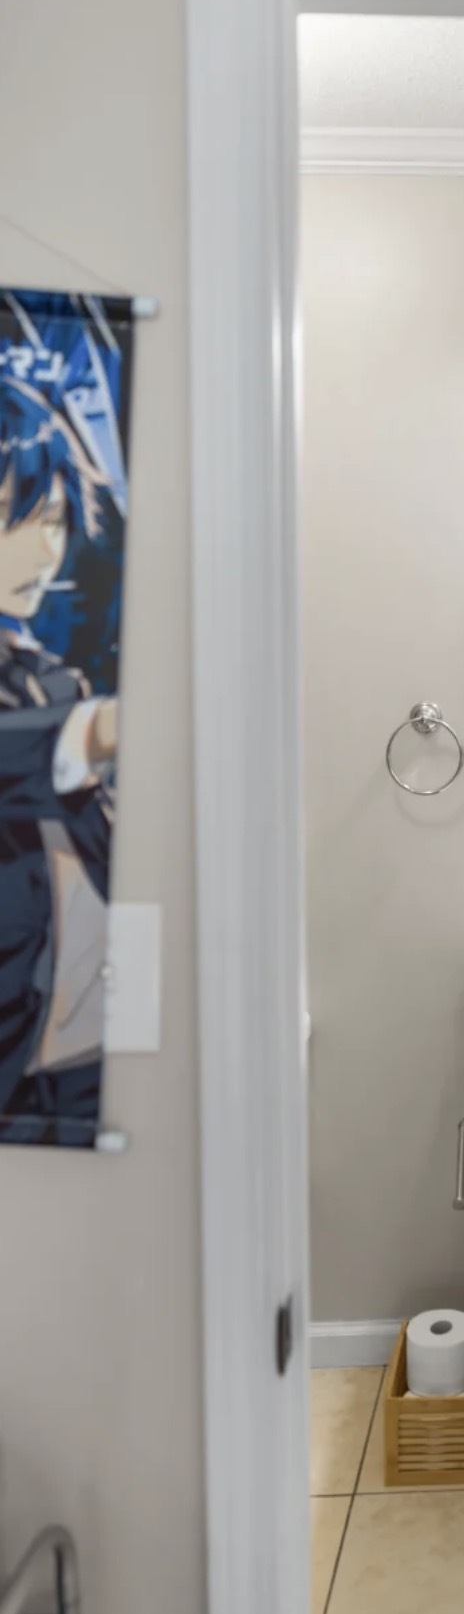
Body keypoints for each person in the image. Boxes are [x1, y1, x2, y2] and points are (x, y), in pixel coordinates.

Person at [0, 377, 118, 1145]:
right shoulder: (72, 705)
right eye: (29, 518)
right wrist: (90, 733)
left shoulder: (50, 676)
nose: (52, 547)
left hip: (76, 1048)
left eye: (58, 520)